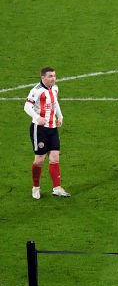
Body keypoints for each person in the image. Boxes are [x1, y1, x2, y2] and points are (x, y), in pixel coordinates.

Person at [25, 67, 70, 199]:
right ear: (43, 77)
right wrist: (36, 117)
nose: (53, 78)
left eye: (54, 76)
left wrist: (60, 116)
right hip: (39, 129)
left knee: (55, 157)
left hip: (52, 128)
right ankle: (36, 187)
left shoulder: (55, 88)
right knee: (39, 159)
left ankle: (57, 188)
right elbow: (27, 106)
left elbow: (55, 103)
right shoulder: (36, 91)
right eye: (50, 76)